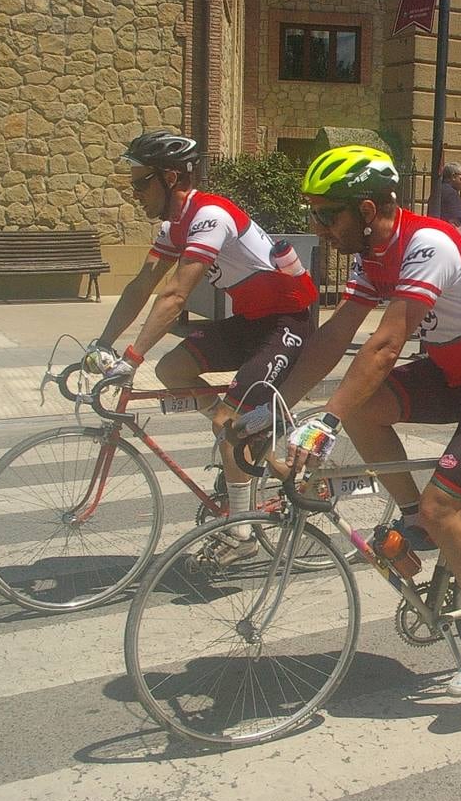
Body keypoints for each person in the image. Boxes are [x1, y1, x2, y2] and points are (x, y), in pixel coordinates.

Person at [275, 144, 461, 696]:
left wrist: (324, 423)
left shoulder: (427, 243)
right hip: (457, 374)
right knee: (365, 408)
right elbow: (335, 336)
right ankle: (414, 521)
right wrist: (271, 404)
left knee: (443, 504)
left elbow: (384, 344)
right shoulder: (370, 256)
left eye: (328, 213)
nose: (320, 226)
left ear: (369, 210)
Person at [86, 130, 318, 566]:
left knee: (232, 427)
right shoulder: (174, 225)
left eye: (140, 183)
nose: (134, 193)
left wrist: (130, 359)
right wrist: (101, 344)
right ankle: (250, 447)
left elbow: (174, 295)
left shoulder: (211, 216)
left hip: (289, 323)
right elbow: (143, 285)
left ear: (170, 177)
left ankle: (243, 533)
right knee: (173, 370)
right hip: (252, 322)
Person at [426, 161, 461, 234]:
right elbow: (455, 223)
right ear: (453, 176)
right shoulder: (452, 194)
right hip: (450, 239)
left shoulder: (437, 191)